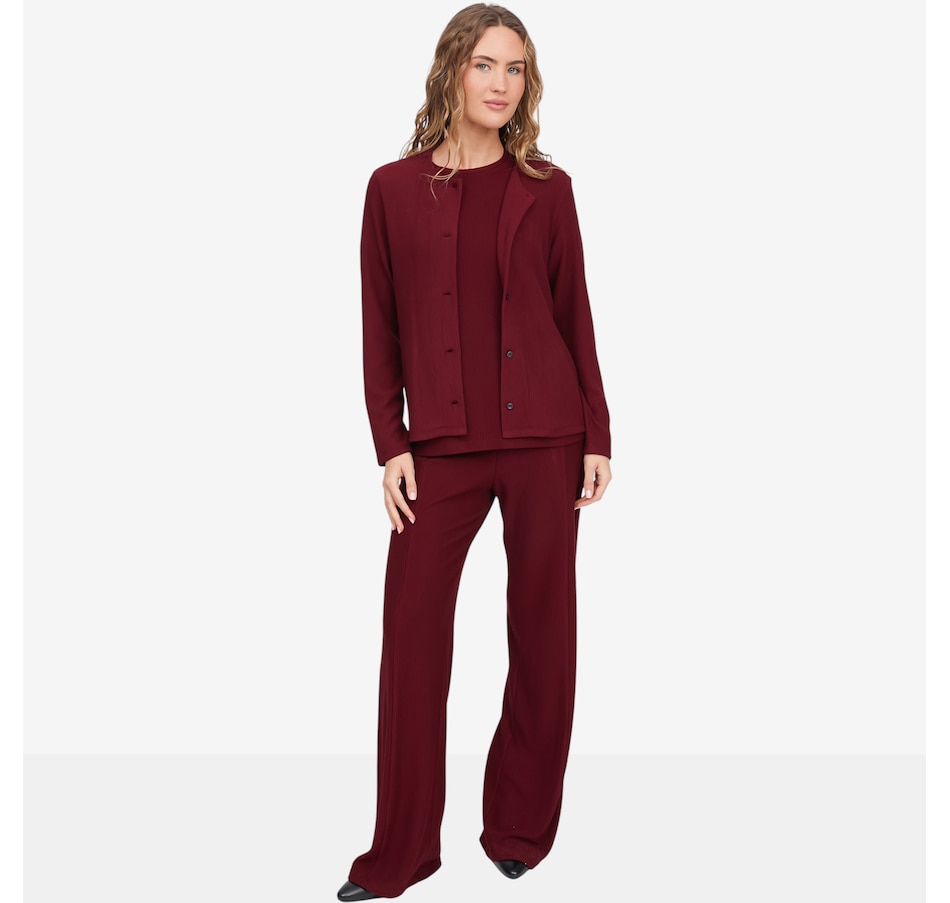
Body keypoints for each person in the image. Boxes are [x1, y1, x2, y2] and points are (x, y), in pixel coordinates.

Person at [337, 4, 612, 900]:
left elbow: (573, 312)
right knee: (412, 643)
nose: (501, 83)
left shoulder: (548, 187)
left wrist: (598, 432)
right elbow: (378, 326)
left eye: (516, 69)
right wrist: (390, 442)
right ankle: (401, 851)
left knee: (544, 634)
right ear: (452, 70)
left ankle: (519, 827)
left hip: (546, 438)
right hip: (440, 451)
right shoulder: (391, 189)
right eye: (485, 64)